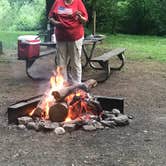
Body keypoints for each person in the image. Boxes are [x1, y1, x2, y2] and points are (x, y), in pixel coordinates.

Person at [48, 0, 88, 84]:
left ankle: (76, 85)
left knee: (75, 62)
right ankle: (63, 85)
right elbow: (50, 17)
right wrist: (56, 23)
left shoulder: (78, 2)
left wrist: (80, 17)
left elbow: (85, 20)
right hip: (61, 37)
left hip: (75, 37)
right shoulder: (58, 2)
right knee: (61, 63)